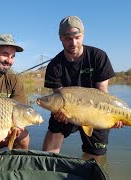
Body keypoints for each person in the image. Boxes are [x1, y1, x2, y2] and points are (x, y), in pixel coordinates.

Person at [42, 16, 124, 162]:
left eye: (77, 37)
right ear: (60, 38)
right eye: (68, 38)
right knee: (54, 131)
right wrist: (58, 112)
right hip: (69, 110)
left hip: (96, 111)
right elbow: (58, 98)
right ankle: (47, 165)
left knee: (96, 157)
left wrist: (114, 116)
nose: (73, 43)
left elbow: (103, 93)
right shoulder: (55, 65)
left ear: (83, 36)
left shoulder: (98, 56)